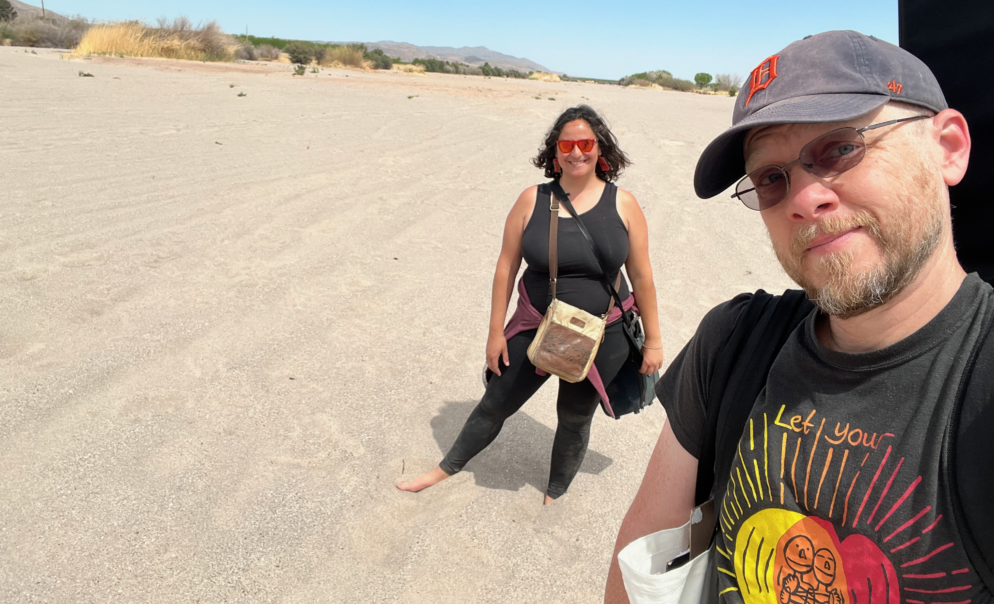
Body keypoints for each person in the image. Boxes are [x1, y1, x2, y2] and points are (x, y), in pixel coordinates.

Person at [604, 31, 993, 602]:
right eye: (771, 178)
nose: (804, 200)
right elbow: (640, 559)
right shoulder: (735, 343)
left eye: (841, 149)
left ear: (948, 148)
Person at [398, 104, 665, 504]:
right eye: (567, 145)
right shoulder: (531, 200)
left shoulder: (623, 204)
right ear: (554, 151)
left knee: (574, 417)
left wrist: (654, 342)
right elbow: (505, 268)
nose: (577, 152)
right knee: (495, 403)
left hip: (602, 333)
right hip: (537, 325)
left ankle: (555, 490)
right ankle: (445, 468)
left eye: (585, 143)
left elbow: (642, 276)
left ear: (599, 148)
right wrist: (495, 333)